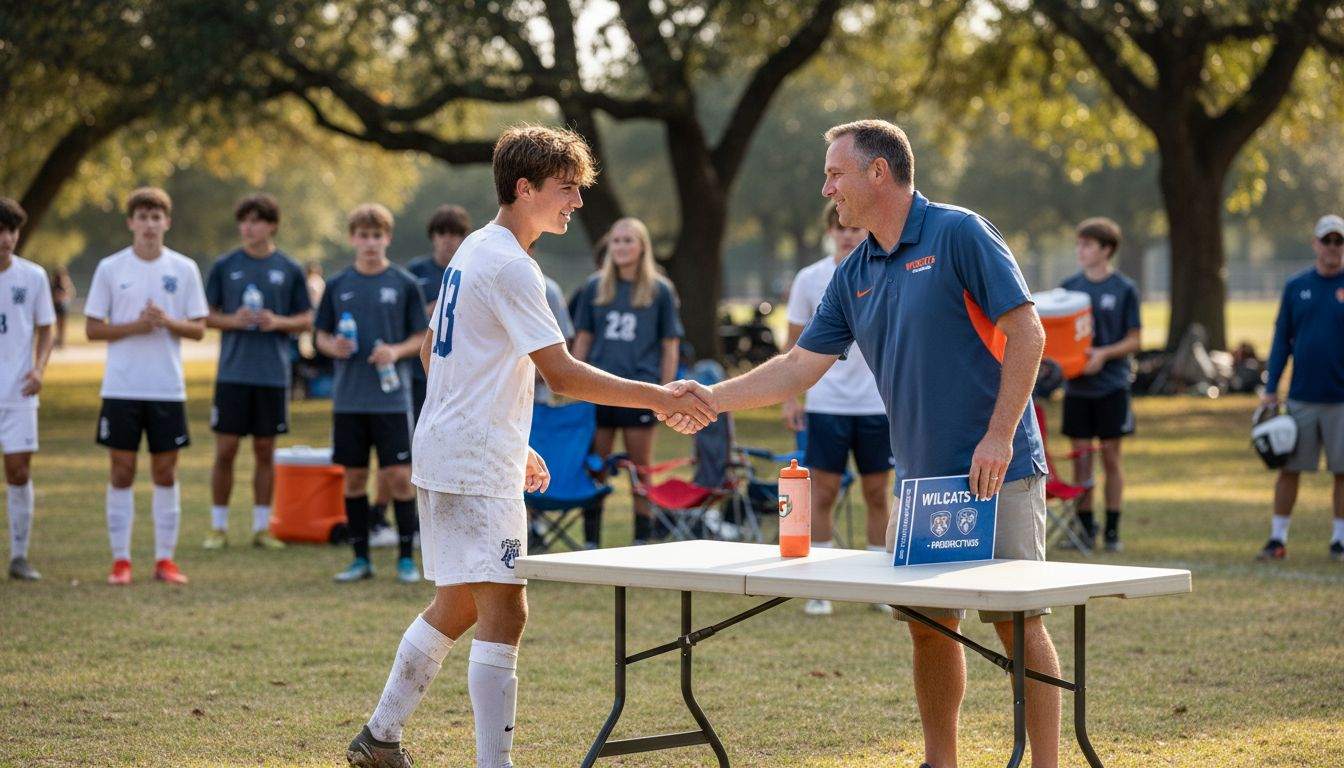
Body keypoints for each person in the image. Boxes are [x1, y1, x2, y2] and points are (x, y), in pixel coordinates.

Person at [666, 119, 1061, 768]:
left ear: (879, 172)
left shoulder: (960, 233)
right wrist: (710, 399)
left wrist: (997, 437)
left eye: (835, 174)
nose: (827, 189)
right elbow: (798, 366)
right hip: (922, 481)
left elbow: (1029, 334)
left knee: (1018, 625)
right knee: (930, 628)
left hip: (1000, 469)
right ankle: (940, 762)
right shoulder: (853, 273)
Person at [343, 124, 713, 768]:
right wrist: (660, 397)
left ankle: (379, 737)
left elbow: (432, 353)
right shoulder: (513, 265)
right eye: (566, 189)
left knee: (459, 603)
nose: (577, 202)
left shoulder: (475, 248)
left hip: (448, 450)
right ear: (524, 188)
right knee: (505, 611)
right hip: (471, 461)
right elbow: (562, 376)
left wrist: (510, 437)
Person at [84, 187, 208, 585]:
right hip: (121, 388)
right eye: (143, 217)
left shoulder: (184, 268)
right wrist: (135, 326)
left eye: (156, 217)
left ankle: (164, 560)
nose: (150, 225)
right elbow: (92, 328)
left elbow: (199, 328)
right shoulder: (110, 267)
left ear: (167, 223)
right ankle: (121, 560)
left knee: (165, 473)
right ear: (131, 222)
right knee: (122, 471)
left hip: (166, 388)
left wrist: (167, 322)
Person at [781, 201, 894, 616]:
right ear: (830, 231)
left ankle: (878, 585)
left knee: (877, 494)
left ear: (866, 230)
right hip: (826, 404)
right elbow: (793, 346)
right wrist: (790, 397)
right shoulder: (810, 278)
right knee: (824, 493)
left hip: (877, 404)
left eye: (854, 228)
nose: (847, 235)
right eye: (840, 227)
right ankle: (821, 586)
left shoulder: (885, 271)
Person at [314, 203, 428, 585]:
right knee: (355, 477)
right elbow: (319, 335)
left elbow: (421, 337)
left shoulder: (404, 283)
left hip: (391, 400)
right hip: (349, 399)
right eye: (363, 236)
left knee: (399, 476)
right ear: (352, 239)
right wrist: (333, 346)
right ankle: (360, 558)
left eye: (377, 236)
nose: (370, 243)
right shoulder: (337, 284)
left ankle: (406, 559)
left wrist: (395, 350)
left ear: (387, 238)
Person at [201, 193, 313, 551]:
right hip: (232, 373)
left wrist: (277, 321)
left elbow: (306, 319)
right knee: (226, 449)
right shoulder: (225, 265)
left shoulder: (289, 268)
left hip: (272, 375)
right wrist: (231, 320)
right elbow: (204, 315)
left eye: (256, 221)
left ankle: (261, 528)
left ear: (272, 225)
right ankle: (218, 527)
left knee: (265, 450)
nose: (248, 228)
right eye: (244, 221)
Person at [570, 217, 684, 547]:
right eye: (616, 241)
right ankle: (591, 541)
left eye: (628, 240)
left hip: (641, 390)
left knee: (641, 468)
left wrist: (665, 393)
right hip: (599, 388)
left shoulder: (660, 290)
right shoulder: (595, 286)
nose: (620, 247)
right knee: (596, 466)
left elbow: (670, 345)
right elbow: (583, 339)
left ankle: (641, 540)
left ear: (642, 246)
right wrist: (573, 382)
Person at [1257, 213, 1344, 563]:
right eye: (1327, 240)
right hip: (1302, 396)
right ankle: (1277, 538)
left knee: (1342, 471)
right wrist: (1271, 387)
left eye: (1339, 241)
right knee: (1289, 468)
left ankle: (1339, 540)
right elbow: (1282, 340)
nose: (1333, 247)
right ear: (1315, 243)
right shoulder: (1297, 286)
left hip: (1342, 399)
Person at [1058, 217, 1141, 552]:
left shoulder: (1124, 289)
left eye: (1087, 245)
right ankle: (1084, 529)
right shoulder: (1068, 288)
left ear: (1107, 250)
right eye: (1078, 244)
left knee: (1110, 459)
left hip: (1111, 388)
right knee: (1081, 460)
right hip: (1077, 389)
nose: (1080, 250)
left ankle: (1112, 531)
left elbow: (1135, 339)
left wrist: (1103, 355)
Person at [0, 197, 56, 581]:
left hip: (18, 392)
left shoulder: (33, 277)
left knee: (18, 472)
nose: (6, 239)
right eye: (0, 231)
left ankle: (19, 556)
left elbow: (46, 327)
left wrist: (39, 368)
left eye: (12, 231)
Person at [49, 264, 74, 349]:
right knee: (57, 325)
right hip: (55, 306)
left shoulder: (64, 284)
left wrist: (64, 295)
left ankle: (60, 341)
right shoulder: (53, 285)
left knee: (62, 325)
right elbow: (52, 296)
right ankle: (57, 340)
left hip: (62, 306)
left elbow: (70, 293)